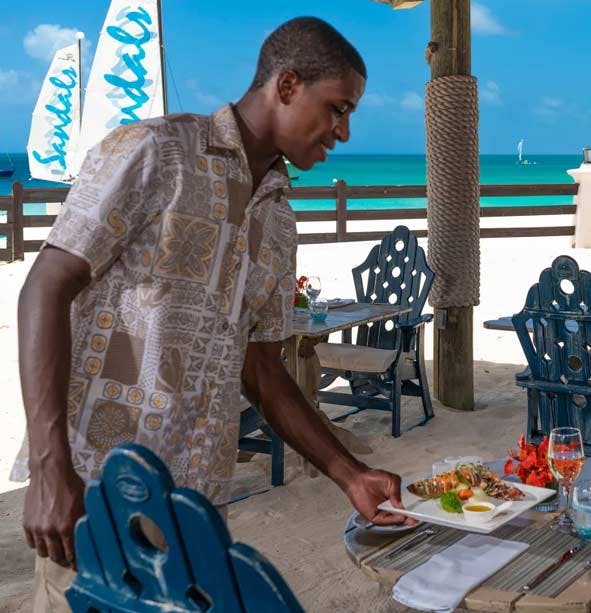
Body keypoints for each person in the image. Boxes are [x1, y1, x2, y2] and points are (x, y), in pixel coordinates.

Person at [14, 17, 411, 611]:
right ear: (286, 85)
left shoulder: (278, 218)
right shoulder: (154, 151)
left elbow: (263, 370)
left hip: (197, 510)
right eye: (337, 108)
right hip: (95, 493)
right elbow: (44, 287)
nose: (344, 132)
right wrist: (50, 468)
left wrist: (349, 473)